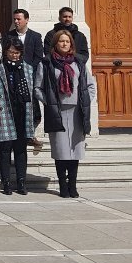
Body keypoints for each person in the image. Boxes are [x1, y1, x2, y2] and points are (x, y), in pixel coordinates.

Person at [37, 30, 92, 198]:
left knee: (75, 150)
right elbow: (37, 87)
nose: (64, 44)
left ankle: (72, 185)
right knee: (61, 151)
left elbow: (90, 86)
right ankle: (62, 185)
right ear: (55, 43)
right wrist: (48, 102)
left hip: (77, 111)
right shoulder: (46, 63)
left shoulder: (79, 63)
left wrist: (87, 101)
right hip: (57, 112)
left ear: (71, 44)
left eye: (67, 41)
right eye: (61, 41)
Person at [0, 37, 39, 195]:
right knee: (5, 148)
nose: (14, 55)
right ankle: (6, 182)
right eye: (11, 52)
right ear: (6, 52)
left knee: (21, 149)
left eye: (17, 52)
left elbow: (32, 90)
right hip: (5, 112)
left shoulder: (28, 68)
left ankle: (21, 182)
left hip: (23, 112)